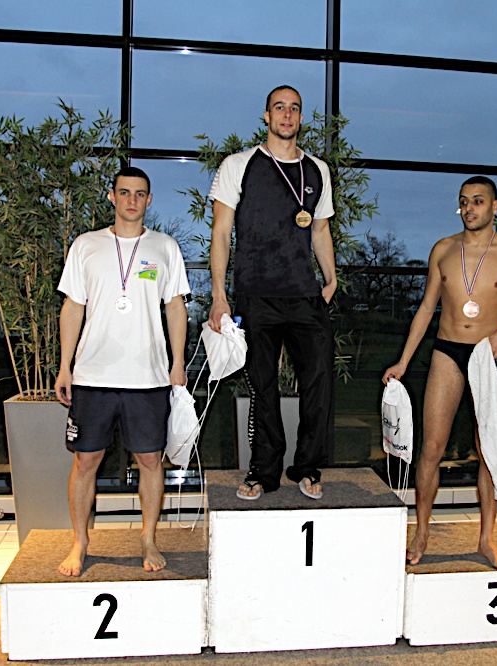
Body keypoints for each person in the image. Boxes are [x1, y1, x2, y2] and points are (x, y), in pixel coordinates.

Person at [383, 176, 497, 570]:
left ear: (495, 207)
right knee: (431, 448)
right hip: (447, 351)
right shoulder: (443, 250)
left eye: (478, 201)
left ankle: (487, 540)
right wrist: (403, 362)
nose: (469, 208)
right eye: (464, 201)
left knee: (488, 451)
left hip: (487, 355)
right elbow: (426, 309)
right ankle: (421, 532)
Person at [54, 166, 190, 576]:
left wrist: (177, 363)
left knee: (150, 460)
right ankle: (80, 541)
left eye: (140, 193)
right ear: (112, 196)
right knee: (85, 461)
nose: (132, 200)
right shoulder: (86, 245)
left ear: (149, 200)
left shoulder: (165, 247)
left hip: (148, 377)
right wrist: (65, 366)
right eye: (125, 192)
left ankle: (148, 537)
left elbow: (175, 307)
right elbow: (72, 307)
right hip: (92, 376)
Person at [207, 85, 336, 501]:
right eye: (279, 107)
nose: (286, 114)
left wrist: (331, 278)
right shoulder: (239, 165)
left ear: (301, 117)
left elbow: (320, 228)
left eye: (294, 108)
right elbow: (221, 233)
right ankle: (264, 472)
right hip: (255, 294)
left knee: (319, 382)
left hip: (304, 296)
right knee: (263, 388)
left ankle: (307, 467)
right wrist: (219, 295)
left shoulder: (317, 170)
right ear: (266, 116)